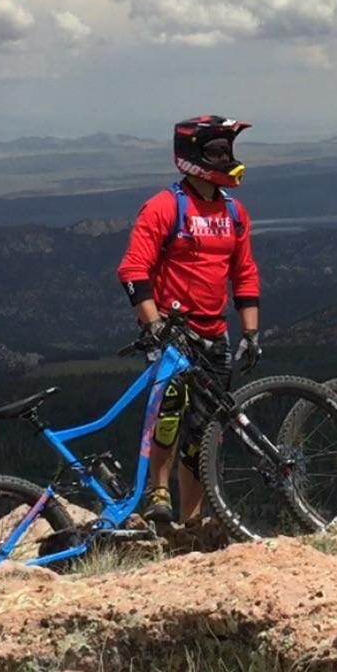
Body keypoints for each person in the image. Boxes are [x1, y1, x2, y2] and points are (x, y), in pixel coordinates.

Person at [116, 115, 262, 527]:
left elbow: (244, 272)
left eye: (227, 150)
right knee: (168, 414)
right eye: (217, 151)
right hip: (173, 334)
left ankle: (191, 523)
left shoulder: (235, 212)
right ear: (193, 155)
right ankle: (157, 493)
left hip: (215, 335)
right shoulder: (164, 207)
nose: (226, 158)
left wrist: (250, 331)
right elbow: (132, 270)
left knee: (204, 433)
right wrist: (153, 324)